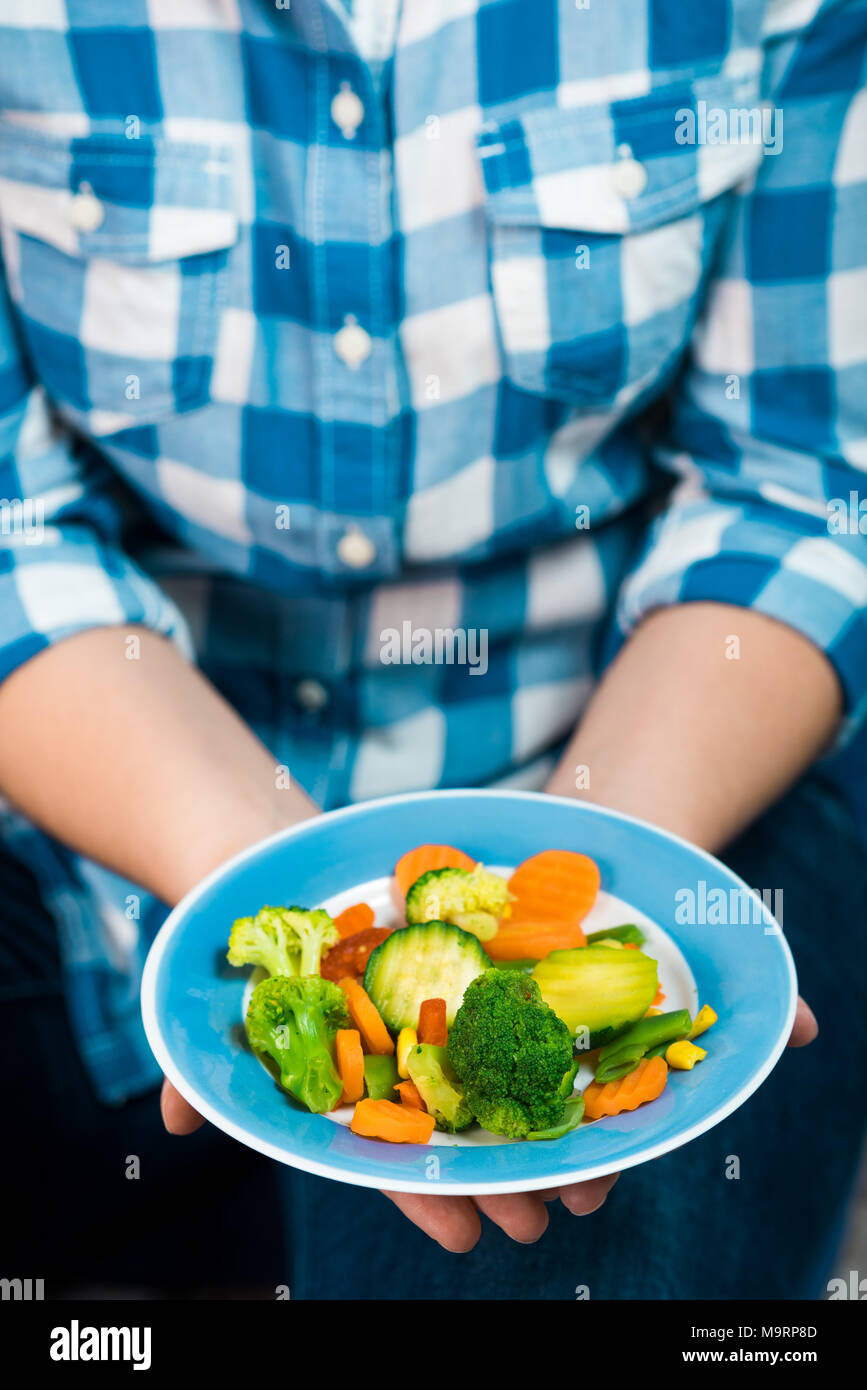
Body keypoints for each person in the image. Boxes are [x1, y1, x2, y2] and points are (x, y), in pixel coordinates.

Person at [0, 1, 865, 1298]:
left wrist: (597, 880)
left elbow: (796, 489)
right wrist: (282, 895)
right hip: (101, 775)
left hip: (645, 748)